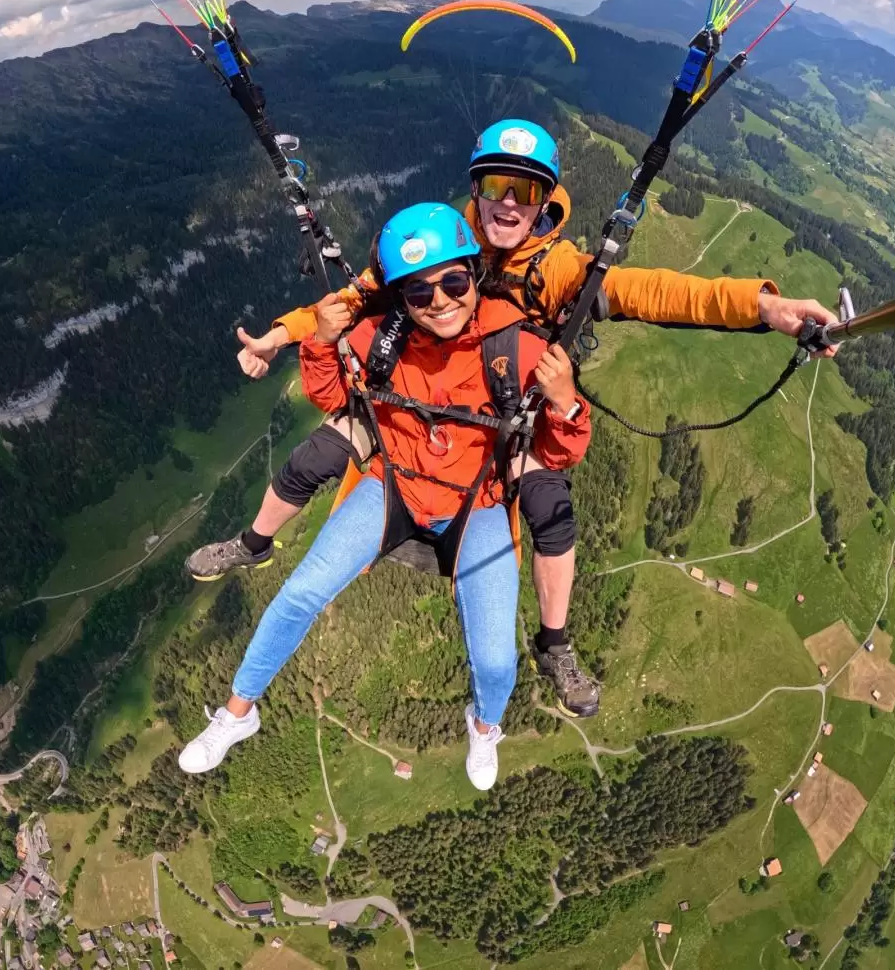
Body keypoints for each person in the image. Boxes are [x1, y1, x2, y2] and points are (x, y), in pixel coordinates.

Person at [186, 119, 838, 717]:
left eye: (525, 192)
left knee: (551, 507)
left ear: (544, 202)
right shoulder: (440, 244)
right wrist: (280, 336)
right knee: (323, 448)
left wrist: (765, 308)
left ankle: (553, 642)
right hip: (418, 406)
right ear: (476, 188)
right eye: (496, 184)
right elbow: (354, 300)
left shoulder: (554, 271)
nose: (507, 202)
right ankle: (255, 543)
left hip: (506, 416)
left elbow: (654, 292)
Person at [177, 202, 591, 789]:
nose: (440, 302)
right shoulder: (381, 339)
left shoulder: (515, 349)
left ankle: (485, 726)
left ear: (475, 275)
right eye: (419, 294)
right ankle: (237, 714)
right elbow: (331, 398)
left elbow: (560, 453)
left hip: (477, 505)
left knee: (497, 660)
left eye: (453, 282)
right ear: (399, 298)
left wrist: (565, 400)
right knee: (300, 594)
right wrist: (318, 341)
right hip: (393, 487)